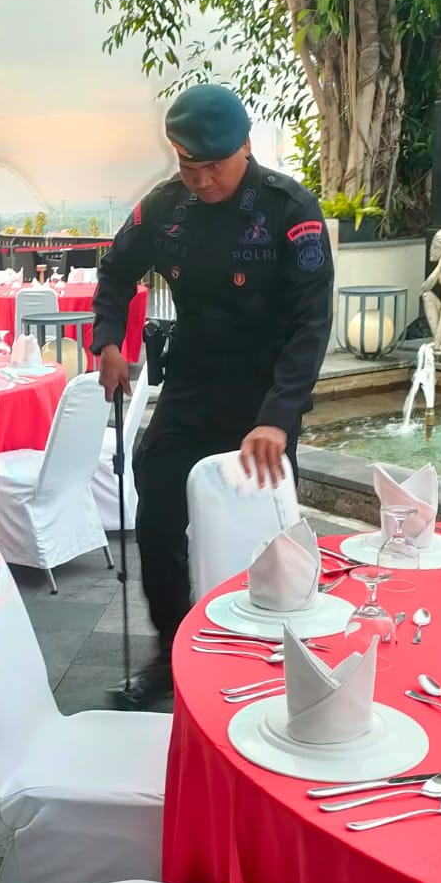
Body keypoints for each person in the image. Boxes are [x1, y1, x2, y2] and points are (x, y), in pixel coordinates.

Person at [92, 85, 335, 710]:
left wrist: (279, 417)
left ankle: (274, 654)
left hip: (264, 399)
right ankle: (172, 652)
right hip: (192, 386)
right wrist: (109, 341)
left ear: (246, 146)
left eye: (214, 167)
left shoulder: (290, 211)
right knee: (156, 511)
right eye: (188, 166)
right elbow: (115, 271)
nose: (201, 180)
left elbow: (311, 324)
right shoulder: (164, 208)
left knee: (268, 534)